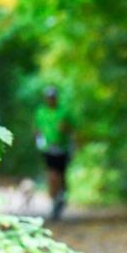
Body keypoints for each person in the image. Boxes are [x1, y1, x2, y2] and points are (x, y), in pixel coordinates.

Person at [34, 86, 73, 221]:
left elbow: (71, 128)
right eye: (49, 97)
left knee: (61, 174)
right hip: (48, 148)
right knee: (52, 174)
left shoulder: (64, 111)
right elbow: (37, 129)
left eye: (53, 97)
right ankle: (54, 199)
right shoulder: (41, 112)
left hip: (62, 147)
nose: (51, 99)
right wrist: (38, 139)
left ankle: (62, 195)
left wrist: (65, 129)